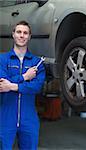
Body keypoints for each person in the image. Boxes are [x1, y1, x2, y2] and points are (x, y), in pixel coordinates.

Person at [0, 20, 45, 150]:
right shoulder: (2, 60)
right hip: (6, 117)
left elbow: (36, 87)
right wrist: (25, 77)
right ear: (13, 34)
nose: (22, 35)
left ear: (29, 36)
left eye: (25, 33)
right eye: (19, 32)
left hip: (29, 119)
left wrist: (12, 86)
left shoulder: (37, 63)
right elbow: (2, 83)